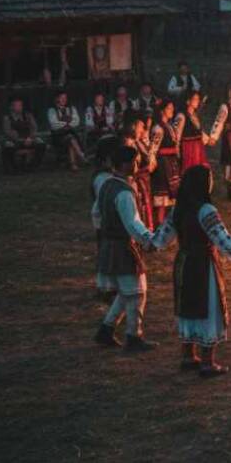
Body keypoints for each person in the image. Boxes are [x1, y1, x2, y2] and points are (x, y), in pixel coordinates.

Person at [150, 165, 231, 376]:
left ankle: (188, 356)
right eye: (209, 179)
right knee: (209, 307)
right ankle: (207, 362)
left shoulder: (179, 209)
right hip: (202, 264)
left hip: (184, 261)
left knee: (187, 307)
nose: (212, 182)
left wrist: (146, 241)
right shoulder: (206, 210)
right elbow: (222, 238)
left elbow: (160, 238)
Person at [94, 144, 158, 352]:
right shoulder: (123, 192)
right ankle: (133, 336)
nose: (137, 164)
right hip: (123, 247)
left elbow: (96, 213)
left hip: (110, 245)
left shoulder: (107, 185)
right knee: (138, 292)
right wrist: (150, 240)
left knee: (126, 291)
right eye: (135, 161)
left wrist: (104, 232)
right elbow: (132, 223)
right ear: (125, 164)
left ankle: (106, 329)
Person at [90, 135, 119, 301]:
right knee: (106, 253)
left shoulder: (107, 177)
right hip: (106, 222)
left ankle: (107, 285)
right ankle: (105, 287)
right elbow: (102, 204)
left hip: (106, 222)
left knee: (106, 252)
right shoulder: (103, 179)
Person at [150, 99, 184, 224]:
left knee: (170, 198)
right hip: (163, 165)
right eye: (169, 108)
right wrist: (152, 163)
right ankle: (160, 225)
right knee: (162, 199)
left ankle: (168, 225)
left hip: (171, 163)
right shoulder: (158, 128)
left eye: (172, 108)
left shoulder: (169, 126)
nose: (172, 111)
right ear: (162, 111)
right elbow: (153, 149)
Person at [122, 112, 155, 230]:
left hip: (140, 181)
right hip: (131, 181)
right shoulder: (128, 143)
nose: (143, 130)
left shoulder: (137, 142)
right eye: (140, 127)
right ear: (133, 127)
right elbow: (130, 168)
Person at [0, 96, 45, 172]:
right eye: (16, 105)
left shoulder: (28, 115)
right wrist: (19, 139)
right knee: (8, 146)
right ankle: (12, 168)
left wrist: (30, 137)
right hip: (15, 140)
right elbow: (7, 131)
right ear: (11, 107)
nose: (19, 107)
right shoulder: (7, 118)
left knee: (41, 144)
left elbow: (34, 127)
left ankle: (34, 165)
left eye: (20, 105)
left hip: (29, 139)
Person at [47, 91, 85, 171]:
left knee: (70, 139)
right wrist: (67, 124)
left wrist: (67, 125)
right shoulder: (52, 110)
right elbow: (54, 124)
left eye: (65, 98)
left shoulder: (72, 108)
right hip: (58, 136)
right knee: (70, 139)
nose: (64, 100)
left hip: (71, 134)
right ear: (57, 99)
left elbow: (76, 121)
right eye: (62, 98)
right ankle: (81, 156)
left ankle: (73, 164)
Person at [179, 91, 211, 170]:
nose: (197, 101)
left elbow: (198, 130)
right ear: (188, 101)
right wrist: (177, 149)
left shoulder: (194, 116)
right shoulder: (182, 116)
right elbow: (178, 134)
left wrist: (207, 139)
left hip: (198, 146)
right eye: (195, 99)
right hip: (188, 147)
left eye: (198, 99)